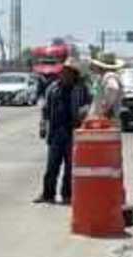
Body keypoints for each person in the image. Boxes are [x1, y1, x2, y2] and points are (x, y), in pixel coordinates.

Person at [35, 59, 92, 205]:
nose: (64, 74)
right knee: (52, 166)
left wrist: (83, 113)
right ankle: (48, 194)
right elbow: (45, 109)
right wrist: (43, 126)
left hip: (73, 132)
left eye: (68, 72)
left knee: (70, 167)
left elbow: (89, 105)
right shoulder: (53, 88)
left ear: (74, 74)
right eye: (63, 71)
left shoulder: (81, 89)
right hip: (55, 132)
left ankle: (67, 194)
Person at [89, 56, 126, 123]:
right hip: (102, 119)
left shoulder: (109, 76)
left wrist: (105, 107)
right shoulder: (103, 77)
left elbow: (112, 88)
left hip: (103, 119)